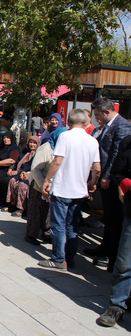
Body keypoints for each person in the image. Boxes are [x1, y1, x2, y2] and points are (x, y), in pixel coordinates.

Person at [38, 108, 100, 270]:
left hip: (62, 188)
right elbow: (97, 168)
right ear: (86, 123)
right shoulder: (92, 141)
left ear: (69, 122)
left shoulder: (65, 136)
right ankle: (70, 257)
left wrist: (47, 179)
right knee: (72, 225)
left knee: (58, 224)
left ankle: (59, 258)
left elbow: (57, 161)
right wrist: (93, 182)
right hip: (79, 190)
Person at [85, 97, 131, 271]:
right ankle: (105, 248)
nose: (96, 118)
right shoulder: (107, 126)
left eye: (98, 115)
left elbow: (118, 154)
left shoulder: (122, 125)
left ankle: (112, 256)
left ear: (106, 111)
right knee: (109, 219)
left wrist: (109, 176)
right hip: (104, 178)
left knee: (115, 220)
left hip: (112, 181)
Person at [98, 134, 131, 326]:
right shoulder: (128, 142)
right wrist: (126, 184)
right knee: (124, 263)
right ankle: (116, 305)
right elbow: (119, 172)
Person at [25, 128, 67, 245]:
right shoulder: (45, 149)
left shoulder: (62, 149)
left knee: (48, 211)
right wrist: (43, 184)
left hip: (53, 185)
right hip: (39, 183)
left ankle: (47, 232)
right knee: (36, 210)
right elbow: (35, 169)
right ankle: (31, 234)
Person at [4, 136, 40, 216]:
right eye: (31, 142)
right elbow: (18, 162)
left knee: (22, 185)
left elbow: (34, 167)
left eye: (34, 143)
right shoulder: (25, 153)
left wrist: (25, 173)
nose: (32, 144)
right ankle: (13, 204)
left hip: (31, 175)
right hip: (21, 173)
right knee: (12, 181)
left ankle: (21, 208)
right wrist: (12, 169)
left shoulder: (38, 154)